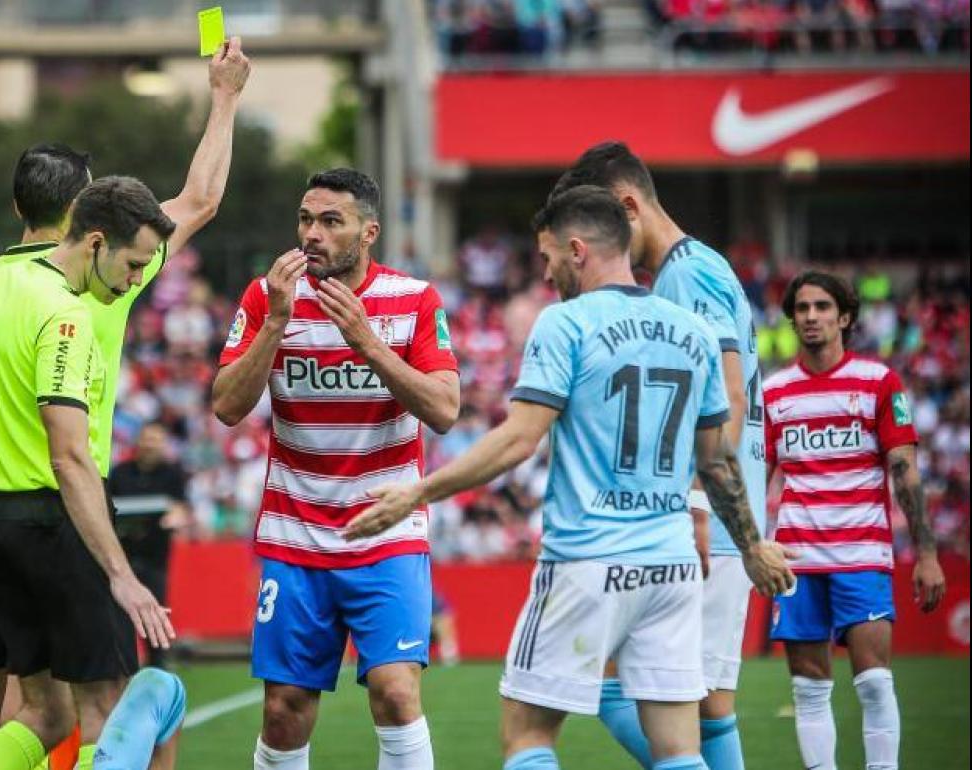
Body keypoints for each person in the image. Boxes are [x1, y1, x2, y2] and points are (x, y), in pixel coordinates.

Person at [351, 186, 795, 770]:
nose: (547, 269)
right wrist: (752, 544)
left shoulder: (564, 324)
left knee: (527, 733)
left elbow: (519, 438)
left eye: (549, 255)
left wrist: (419, 490)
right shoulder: (691, 331)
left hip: (587, 560)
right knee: (679, 748)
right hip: (673, 566)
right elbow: (717, 460)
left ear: (578, 249)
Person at [0, 37, 250, 770]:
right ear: (83, 216)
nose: (132, 278)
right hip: (66, 512)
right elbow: (203, 198)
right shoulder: (94, 286)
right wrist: (223, 97)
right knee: (115, 711)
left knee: (12, 706)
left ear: (17, 204)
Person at [0, 176, 182, 770]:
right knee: (105, 712)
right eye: (133, 265)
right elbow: (69, 454)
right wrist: (121, 573)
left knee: (42, 711)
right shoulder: (67, 316)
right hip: (58, 525)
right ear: (94, 242)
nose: (137, 280)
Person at [211, 167, 460, 770]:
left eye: (330, 221)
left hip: (387, 533)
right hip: (295, 534)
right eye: (305, 220)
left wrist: (369, 344)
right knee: (284, 709)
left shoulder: (414, 299)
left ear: (368, 232)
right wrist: (274, 320)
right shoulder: (265, 297)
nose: (312, 235)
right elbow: (225, 405)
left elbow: (446, 410)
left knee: (397, 695)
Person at [549, 141, 764, 770]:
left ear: (625, 206)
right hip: (716, 522)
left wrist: (696, 502)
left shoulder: (685, 276)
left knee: (649, 697)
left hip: (706, 525)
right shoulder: (699, 266)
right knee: (700, 706)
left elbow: (723, 393)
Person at [763, 271, 946, 770]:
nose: (811, 317)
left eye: (822, 307)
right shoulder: (774, 392)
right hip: (796, 559)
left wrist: (927, 553)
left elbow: (905, 471)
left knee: (873, 681)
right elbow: (759, 476)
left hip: (861, 555)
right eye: (802, 309)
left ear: (844, 316)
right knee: (808, 687)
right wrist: (752, 546)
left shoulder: (879, 382)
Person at [107, 422, 191, 670]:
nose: (150, 444)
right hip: (123, 559)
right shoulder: (120, 472)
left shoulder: (172, 474)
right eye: (146, 438)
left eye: (156, 439)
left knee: (155, 618)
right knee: (120, 622)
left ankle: (157, 671)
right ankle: (123, 671)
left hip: (155, 559)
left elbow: (182, 507)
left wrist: (177, 516)